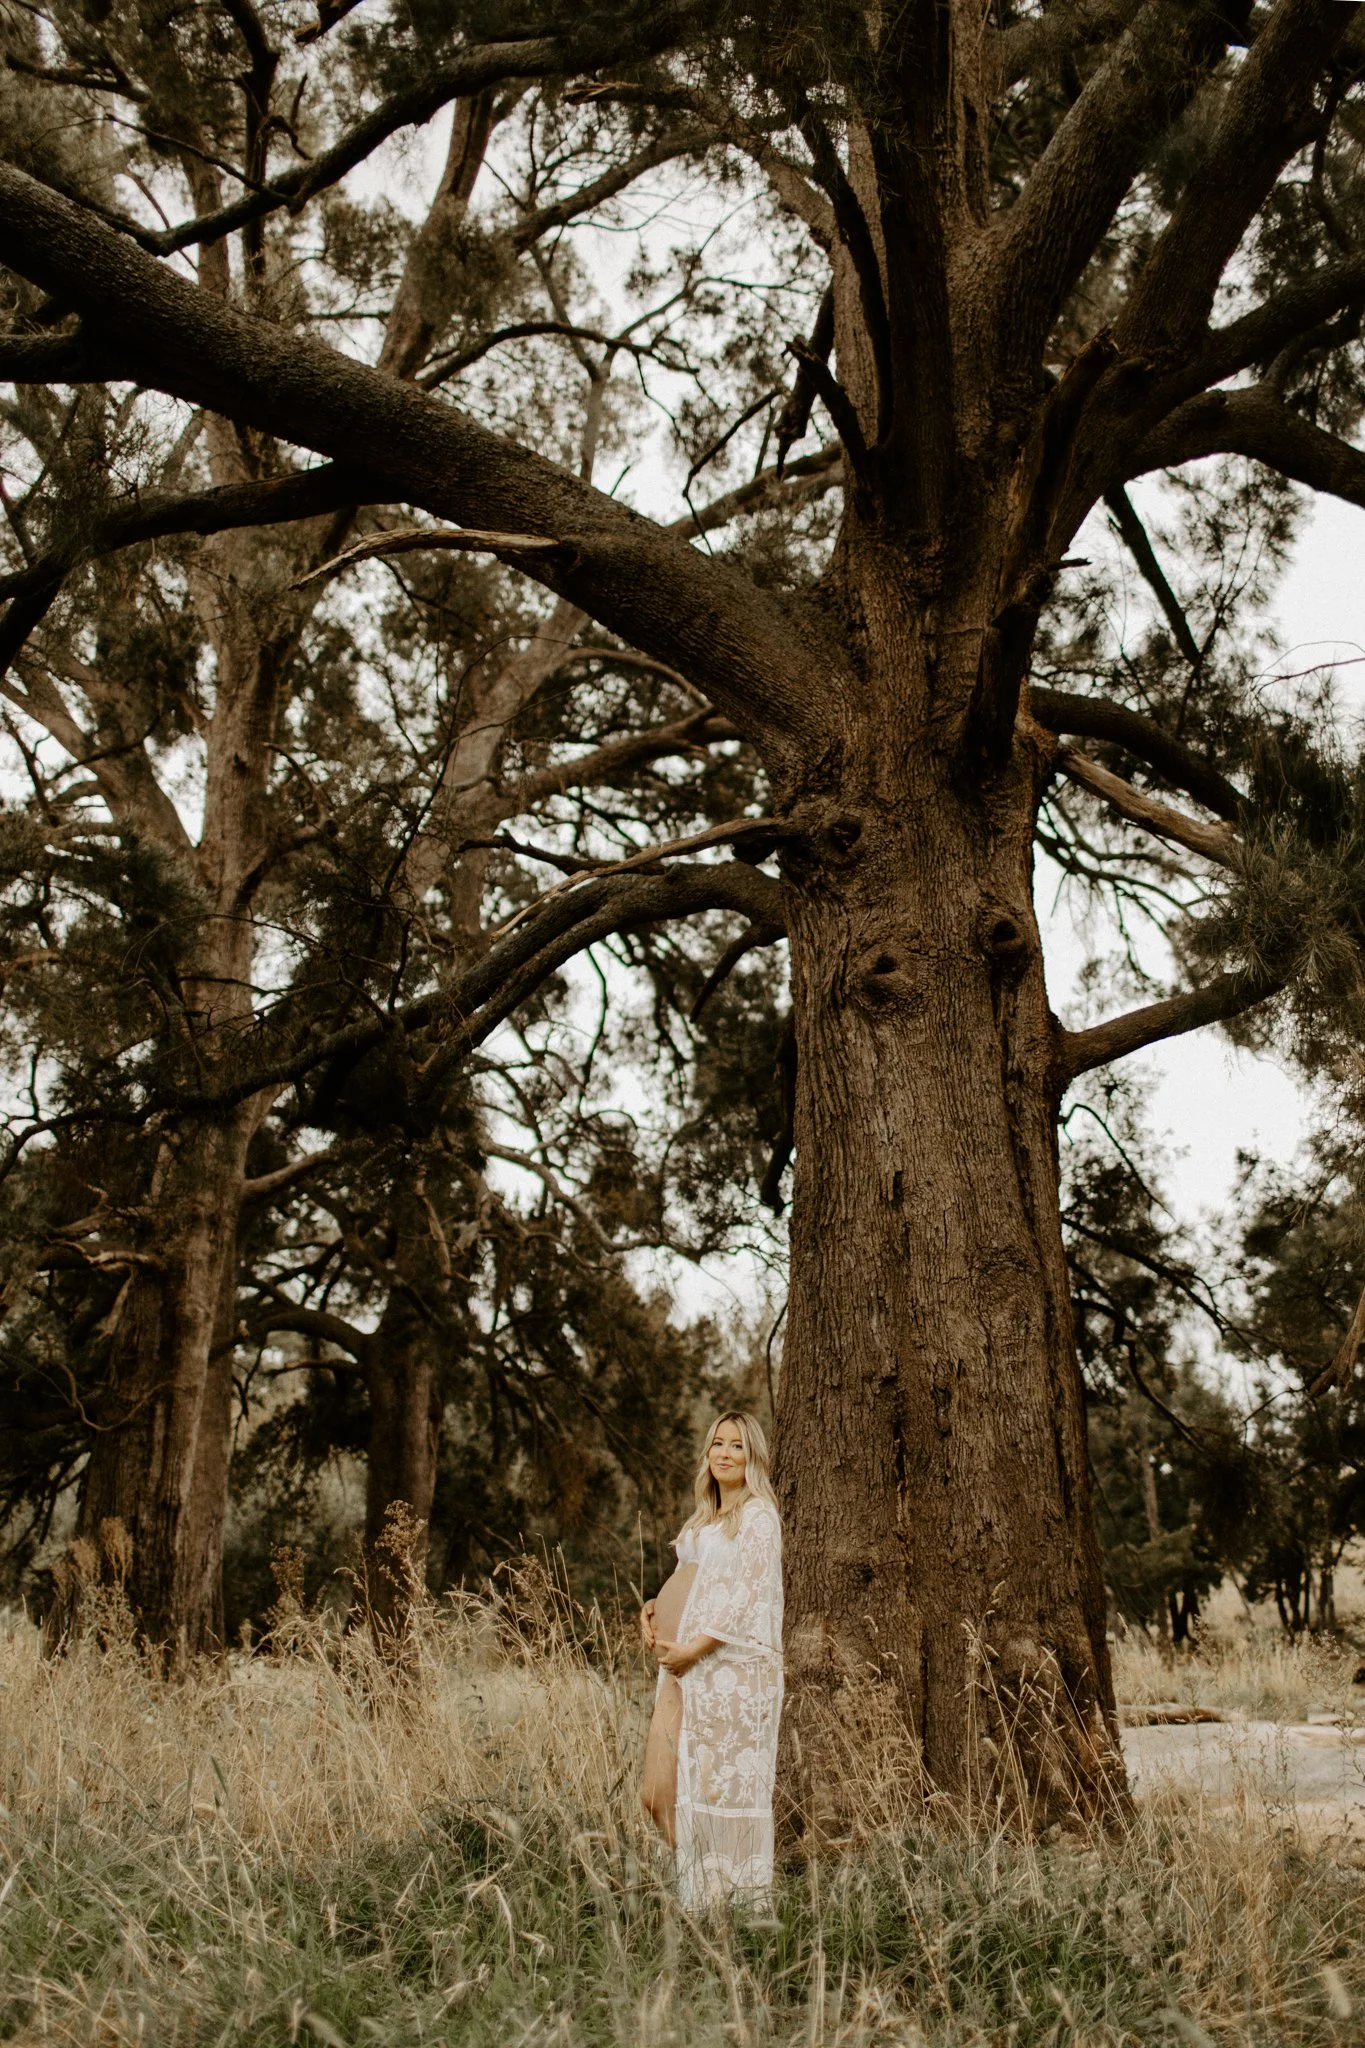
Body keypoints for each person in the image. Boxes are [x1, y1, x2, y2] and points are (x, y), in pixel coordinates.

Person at [639, 1411, 784, 1909]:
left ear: (752, 1457)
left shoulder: (758, 1516)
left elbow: (749, 1595)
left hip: (724, 1675)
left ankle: (725, 1906)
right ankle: (709, 1888)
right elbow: (692, 1581)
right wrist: (653, 1608)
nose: (725, 1453)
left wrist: (693, 1649)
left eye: (737, 1446)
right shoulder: (702, 1519)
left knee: (713, 1793)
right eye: (718, 1443)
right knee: (656, 1794)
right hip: (679, 1671)